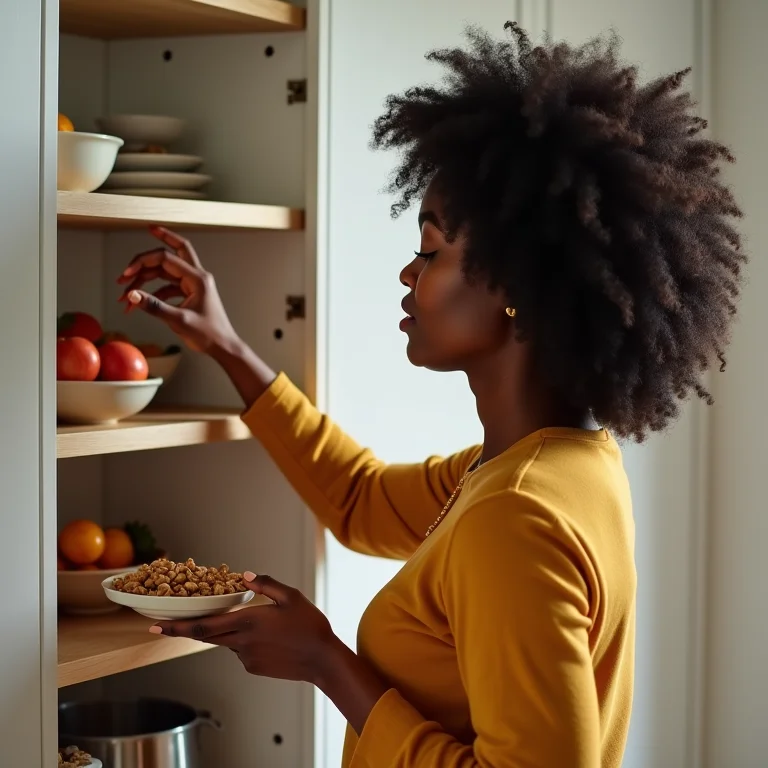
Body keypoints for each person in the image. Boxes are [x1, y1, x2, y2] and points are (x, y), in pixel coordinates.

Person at [118, 22, 744, 768]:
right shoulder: (550, 466)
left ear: (514, 285)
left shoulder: (515, 514)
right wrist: (228, 347)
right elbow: (359, 500)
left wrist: (327, 663)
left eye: (431, 250)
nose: (409, 276)